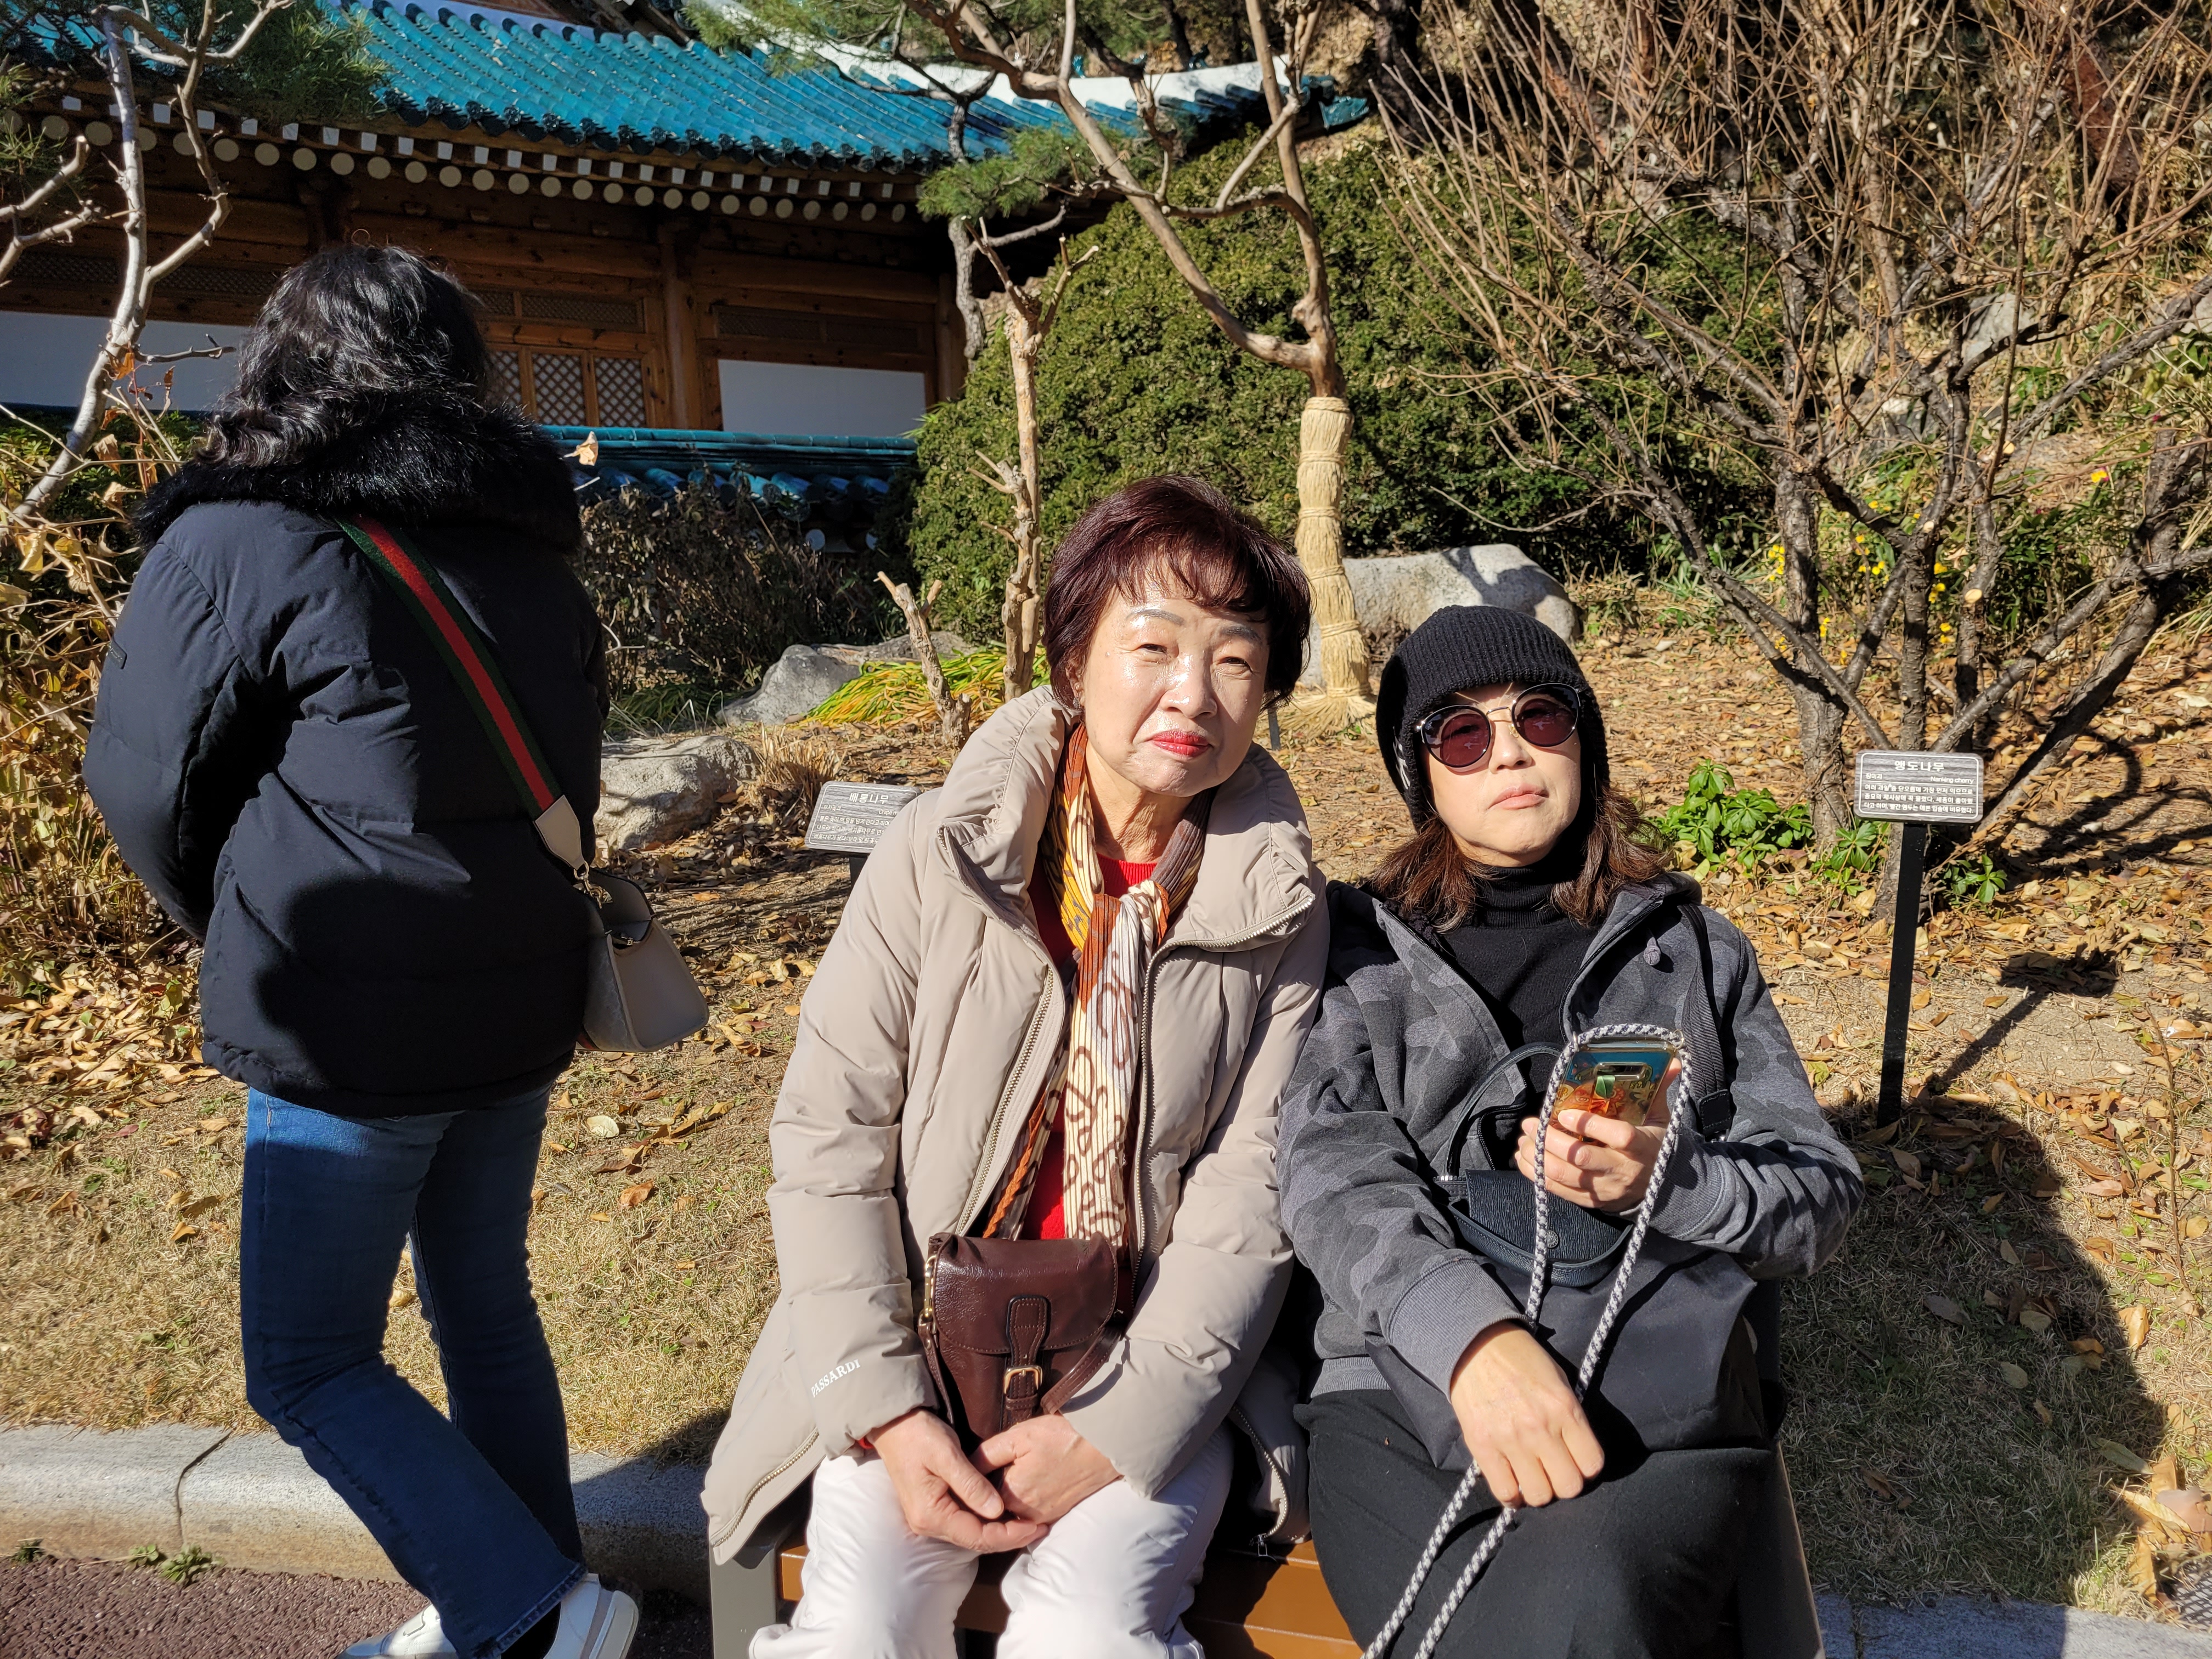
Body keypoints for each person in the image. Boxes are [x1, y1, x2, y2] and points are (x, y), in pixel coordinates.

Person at [83, 246, 634, 1659]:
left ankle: (531, 1611)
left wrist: (233, 912)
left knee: (309, 1360)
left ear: (286, 362)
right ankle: (527, 1599)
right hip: (519, 993)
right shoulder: (528, 550)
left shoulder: (239, 534)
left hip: (346, 1015)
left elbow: (142, 781)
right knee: (484, 1305)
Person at [701, 476, 1328, 1658]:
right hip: (918, 1347)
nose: (1193, 693)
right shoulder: (935, 857)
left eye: (1236, 661)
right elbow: (831, 1135)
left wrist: (1121, 1425)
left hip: (1145, 1356)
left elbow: (1253, 1197)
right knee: (860, 1627)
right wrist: (890, 1409)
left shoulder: (1278, 906)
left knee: (1089, 1631)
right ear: (1073, 660)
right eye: (1154, 646)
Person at [1277, 606, 1863, 1658]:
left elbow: (1819, 1198)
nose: (1508, 752)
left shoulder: (1693, 954)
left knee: (1583, 1612)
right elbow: (1333, 1175)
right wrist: (1471, 1339)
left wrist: (1671, 1182)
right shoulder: (1358, 961)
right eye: (1461, 733)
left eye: (1539, 716)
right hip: (1401, 1393)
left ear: (1583, 738)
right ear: (1420, 773)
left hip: (1652, 1382)